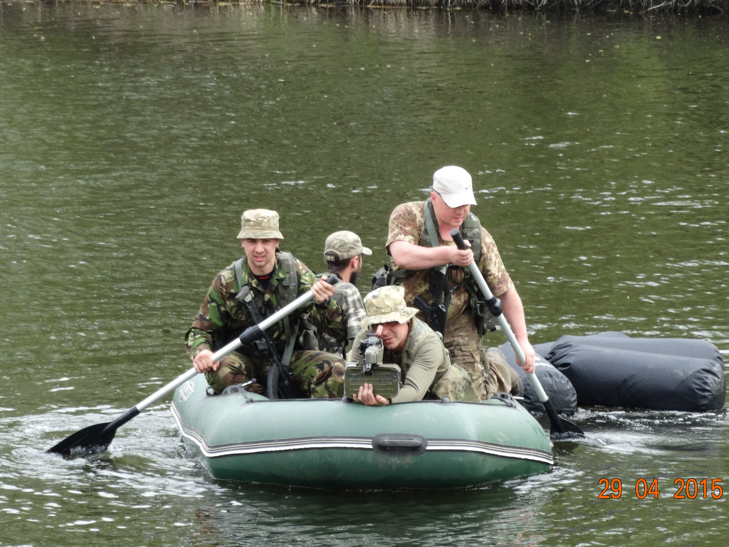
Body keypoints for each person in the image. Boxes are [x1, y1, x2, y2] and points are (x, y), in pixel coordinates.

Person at [385, 165, 534, 401]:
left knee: (472, 395)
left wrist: (522, 341)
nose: (462, 210)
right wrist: (449, 255)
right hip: (407, 320)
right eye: (454, 204)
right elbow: (401, 255)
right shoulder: (409, 215)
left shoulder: (478, 237)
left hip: (456, 322)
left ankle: (497, 368)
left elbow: (505, 292)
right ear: (434, 198)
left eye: (466, 203)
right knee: (393, 381)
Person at [185, 209, 345, 398]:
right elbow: (200, 331)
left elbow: (336, 329)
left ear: (276, 242)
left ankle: (318, 421)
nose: (259, 249)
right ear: (243, 242)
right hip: (243, 362)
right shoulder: (225, 282)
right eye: (252, 241)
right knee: (221, 369)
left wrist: (323, 303)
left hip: (288, 359)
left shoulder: (297, 273)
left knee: (336, 367)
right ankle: (254, 406)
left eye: (265, 241)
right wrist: (202, 352)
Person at [350, 286, 479, 406]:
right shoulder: (365, 339)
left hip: (436, 396)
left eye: (391, 322)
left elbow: (414, 390)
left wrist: (385, 400)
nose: (383, 331)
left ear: (406, 318)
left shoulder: (428, 343)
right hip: (396, 389)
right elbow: (352, 380)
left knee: (451, 383)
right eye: (376, 324)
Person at [317, 230, 370, 358]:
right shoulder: (348, 291)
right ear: (355, 261)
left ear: (326, 260)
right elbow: (361, 344)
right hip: (330, 369)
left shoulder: (311, 284)